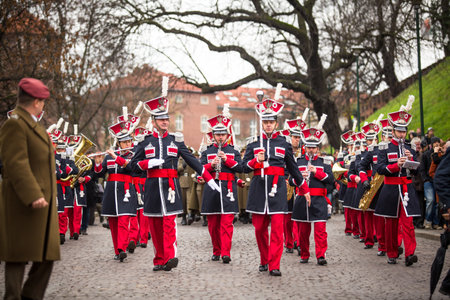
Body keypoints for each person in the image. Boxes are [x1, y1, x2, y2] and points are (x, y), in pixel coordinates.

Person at [129, 77, 219, 272]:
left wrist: (209, 177)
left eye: (167, 119)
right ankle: (159, 259)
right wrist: (147, 163)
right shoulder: (145, 142)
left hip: (170, 188)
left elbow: (192, 160)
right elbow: (132, 166)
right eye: (161, 119)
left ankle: (170, 257)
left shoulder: (175, 140)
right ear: (153, 121)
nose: (165, 122)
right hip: (152, 188)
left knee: (169, 224)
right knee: (155, 225)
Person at [0, 78, 60, 299]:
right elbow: (16, 163)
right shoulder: (15, 124)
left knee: (47, 255)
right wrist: (33, 194)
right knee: (17, 256)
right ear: (36, 101)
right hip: (23, 203)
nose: (43, 106)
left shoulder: (32, 124)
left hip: (41, 203)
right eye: (43, 102)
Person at [242, 94, 310, 276]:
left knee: (278, 230)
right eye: (265, 122)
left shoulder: (284, 143)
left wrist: (304, 189)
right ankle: (264, 259)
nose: (268, 125)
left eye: (271, 122)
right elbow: (242, 167)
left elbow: (293, 168)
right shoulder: (254, 143)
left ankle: (274, 264)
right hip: (258, 189)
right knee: (259, 229)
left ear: (276, 123)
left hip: (278, 189)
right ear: (261, 123)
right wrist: (256, 160)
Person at [375, 107, 421, 266]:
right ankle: (392, 252)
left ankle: (410, 254)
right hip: (391, 189)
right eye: (399, 131)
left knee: (408, 224)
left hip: (407, 189)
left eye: (404, 131)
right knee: (391, 224)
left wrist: (411, 161)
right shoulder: (385, 147)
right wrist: (396, 165)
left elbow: (416, 172)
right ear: (393, 131)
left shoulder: (410, 147)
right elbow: (380, 169)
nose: (402, 134)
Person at [290, 116, 334, 265]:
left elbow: (331, 180)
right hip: (302, 199)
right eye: (308, 147)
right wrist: (298, 177)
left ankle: (321, 255)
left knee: (320, 230)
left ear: (318, 148)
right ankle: (304, 255)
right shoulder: (298, 161)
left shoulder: (325, 162)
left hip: (319, 200)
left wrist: (317, 172)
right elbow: (290, 180)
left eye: (313, 147)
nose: (310, 150)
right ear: (305, 147)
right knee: (303, 231)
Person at [200, 114, 243, 263]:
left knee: (227, 223)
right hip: (212, 189)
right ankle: (216, 250)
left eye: (222, 134)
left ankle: (226, 253)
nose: (220, 137)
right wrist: (210, 165)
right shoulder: (206, 152)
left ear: (227, 135)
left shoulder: (233, 151)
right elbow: (199, 169)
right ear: (213, 135)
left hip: (229, 189)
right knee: (213, 224)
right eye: (217, 134)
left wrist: (227, 160)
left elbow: (241, 167)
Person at [94, 119, 138, 262]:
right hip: (111, 192)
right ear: (118, 143)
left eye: (129, 142)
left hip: (126, 192)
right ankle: (117, 250)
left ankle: (122, 249)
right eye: (124, 142)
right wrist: (98, 163)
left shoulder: (133, 156)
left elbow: (131, 169)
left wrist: (116, 157)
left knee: (124, 220)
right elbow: (100, 174)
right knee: (113, 223)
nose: (127, 144)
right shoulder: (108, 157)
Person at [284, 118, 306, 254]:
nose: (297, 140)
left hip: (299, 186)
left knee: (298, 217)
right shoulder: (285, 150)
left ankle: (298, 240)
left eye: (299, 137)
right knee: (287, 218)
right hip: (287, 184)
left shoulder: (303, 153)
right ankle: (289, 242)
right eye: (295, 137)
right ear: (289, 137)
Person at [421, 136, 441, 229]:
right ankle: (428, 220)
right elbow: (422, 168)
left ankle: (436, 222)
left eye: (438, 142)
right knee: (430, 200)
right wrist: (425, 179)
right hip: (428, 180)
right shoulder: (426, 154)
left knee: (437, 203)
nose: (437, 144)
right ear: (431, 144)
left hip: (437, 181)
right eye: (435, 142)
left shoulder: (441, 154)